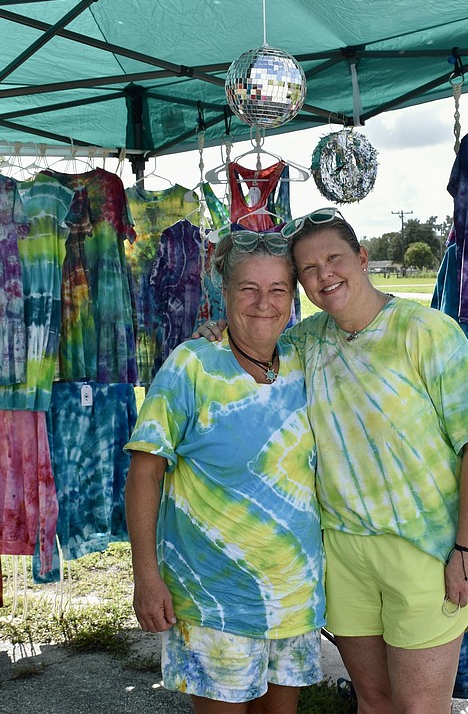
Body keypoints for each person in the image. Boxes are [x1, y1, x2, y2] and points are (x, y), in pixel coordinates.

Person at [200, 208, 468, 712]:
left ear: (362, 258)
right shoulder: (304, 343)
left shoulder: (427, 331)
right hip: (342, 551)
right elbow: (253, 343)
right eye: (308, 270)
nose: (324, 276)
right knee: (373, 700)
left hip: (422, 549)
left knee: (419, 707)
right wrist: (216, 333)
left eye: (334, 258)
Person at [125, 231, 324, 714]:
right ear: (224, 293)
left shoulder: (305, 359)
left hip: (294, 595)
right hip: (214, 599)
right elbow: (143, 476)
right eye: (247, 289)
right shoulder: (191, 365)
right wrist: (146, 577)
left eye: (278, 289)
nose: (263, 303)